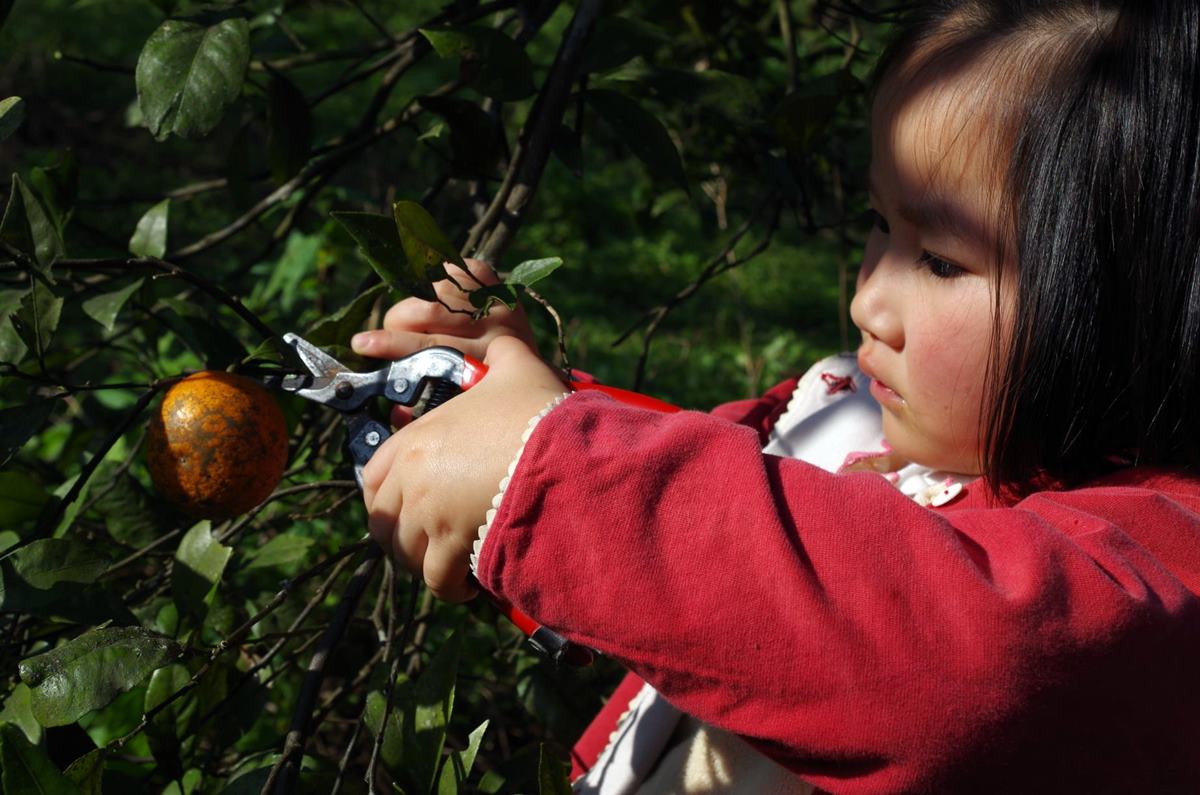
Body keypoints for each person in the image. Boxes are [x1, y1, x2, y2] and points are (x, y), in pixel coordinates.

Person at [349, 1, 1200, 792]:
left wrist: (546, 469)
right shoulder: (860, 406)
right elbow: (710, 510)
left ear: (1139, 301)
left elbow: (964, 663)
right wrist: (516, 406)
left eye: (941, 259)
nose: (869, 299)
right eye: (878, 221)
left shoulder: (1154, 579)